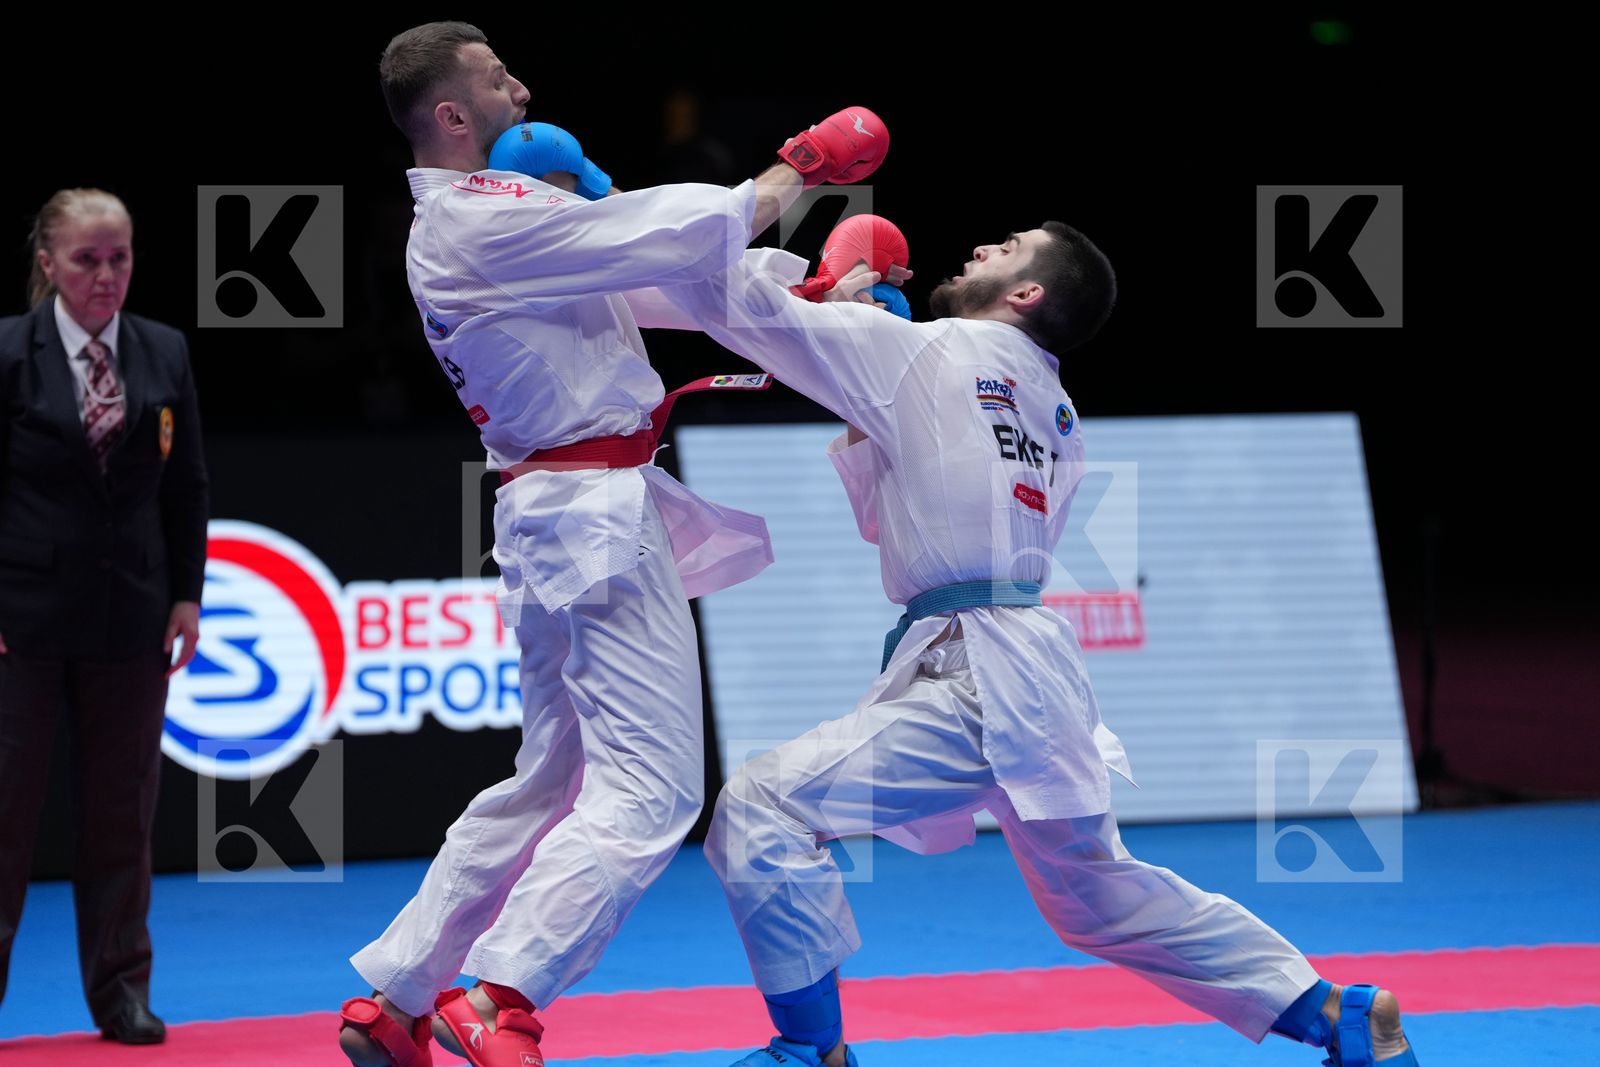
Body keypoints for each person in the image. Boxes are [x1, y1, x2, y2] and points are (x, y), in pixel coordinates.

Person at [655, 222, 1421, 1066]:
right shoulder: (1053, 407)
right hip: (1032, 674)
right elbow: (901, 498)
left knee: (765, 805)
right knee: (1097, 896)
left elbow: (733, 305)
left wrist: (806, 297)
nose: (981, 247)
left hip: (979, 673)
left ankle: (809, 1050)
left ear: (1028, 294)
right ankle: (1334, 1012)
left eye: (1009, 247)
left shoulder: (926, 352)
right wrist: (861, 363)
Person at [338, 21, 884, 1067]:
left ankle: (396, 996)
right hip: (589, 514)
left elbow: (654, 280)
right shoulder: (478, 216)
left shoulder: (486, 225)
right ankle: (501, 994)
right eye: (498, 78)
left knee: (548, 778)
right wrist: (803, 162)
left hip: (556, 513)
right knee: (655, 788)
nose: (522, 85)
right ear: (452, 115)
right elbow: (671, 237)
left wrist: (803, 295)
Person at [0, 188, 207, 1046]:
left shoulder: (162, 350)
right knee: (4, 817)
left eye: (118, 256)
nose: (106, 274)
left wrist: (187, 593)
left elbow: (186, 482)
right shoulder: (8, 352)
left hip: (133, 617)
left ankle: (121, 990)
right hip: (22, 622)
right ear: (47, 262)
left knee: (122, 813)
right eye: (86, 258)